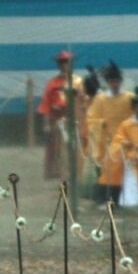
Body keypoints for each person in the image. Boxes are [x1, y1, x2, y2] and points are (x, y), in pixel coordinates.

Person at [86, 61, 135, 202]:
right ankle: (105, 199)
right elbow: (91, 119)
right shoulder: (100, 99)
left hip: (125, 141)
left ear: (121, 81)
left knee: (125, 171)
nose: (115, 84)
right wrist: (101, 124)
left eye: (117, 81)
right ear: (107, 82)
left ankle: (124, 199)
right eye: (112, 81)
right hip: (106, 141)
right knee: (106, 171)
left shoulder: (129, 98)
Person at [38, 51, 87, 181]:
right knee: (59, 148)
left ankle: (76, 173)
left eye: (67, 63)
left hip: (75, 119)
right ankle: (62, 175)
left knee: (76, 147)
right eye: (62, 63)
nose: (64, 66)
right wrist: (46, 123)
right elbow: (46, 104)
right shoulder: (52, 83)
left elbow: (84, 101)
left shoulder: (78, 82)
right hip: (57, 120)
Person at [107, 91, 138, 207]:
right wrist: (125, 143)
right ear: (133, 109)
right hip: (132, 162)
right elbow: (117, 140)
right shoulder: (126, 125)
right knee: (131, 189)